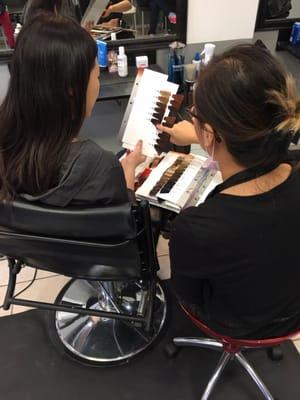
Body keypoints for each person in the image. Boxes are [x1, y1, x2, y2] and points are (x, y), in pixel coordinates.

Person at [158, 43, 300, 339]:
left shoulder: (196, 227)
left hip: (236, 324)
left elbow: (189, 296)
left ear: (208, 135)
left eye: (194, 113)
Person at [0, 14, 145, 206]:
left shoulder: (7, 150)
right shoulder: (100, 167)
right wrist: (128, 170)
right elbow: (126, 223)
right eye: (96, 76)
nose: (97, 83)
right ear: (71, 88)